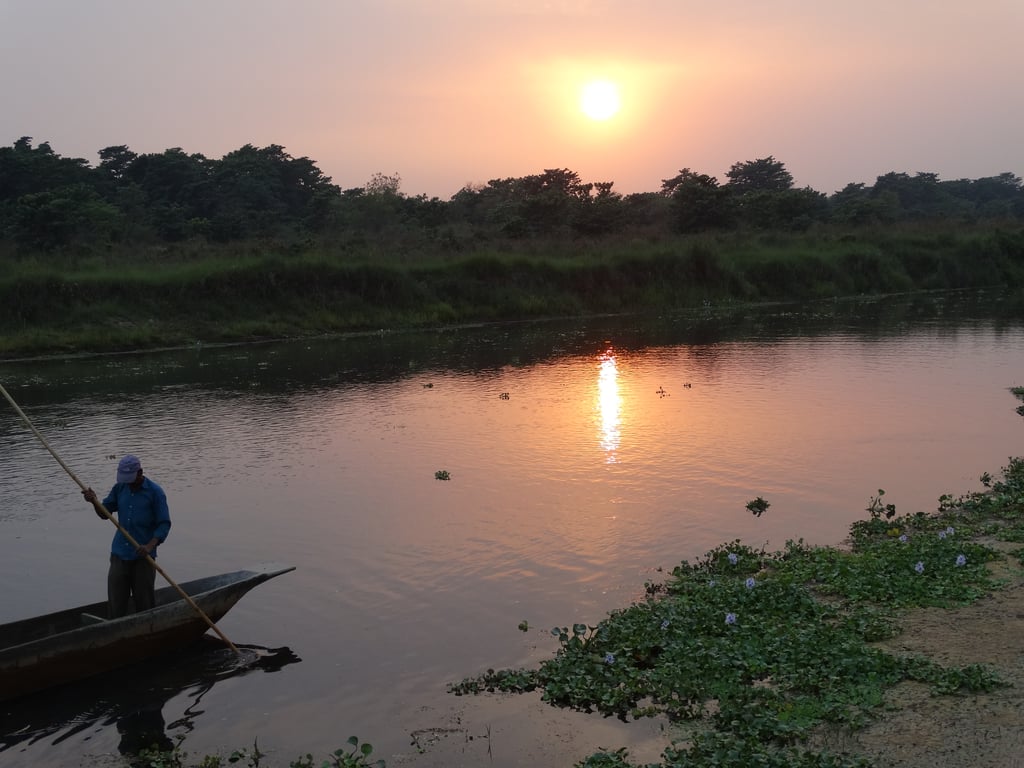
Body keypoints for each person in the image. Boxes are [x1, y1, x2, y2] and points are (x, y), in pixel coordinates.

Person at [83, 454, 171, 618]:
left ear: (140, 472)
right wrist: (94, 502)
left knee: (145, 607)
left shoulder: (155, 492)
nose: (128, 483)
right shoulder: (120, 488)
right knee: (116, 605)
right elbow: (104, 513)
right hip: (119, 554)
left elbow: (164, 524)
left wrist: (150, 546)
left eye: (131, 478)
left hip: (143, 558)